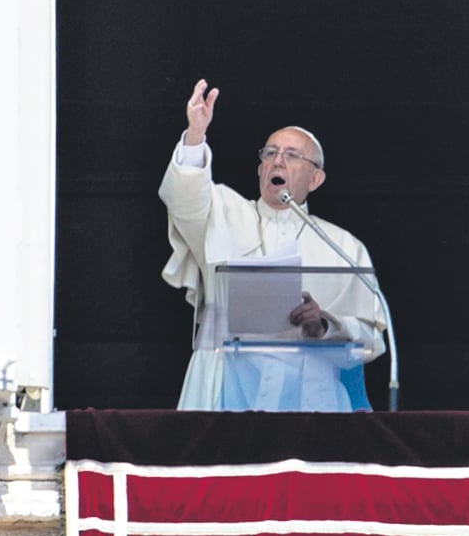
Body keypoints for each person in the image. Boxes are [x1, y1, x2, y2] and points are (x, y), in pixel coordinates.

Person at [159, 78, 386, 411]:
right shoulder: (222, 212)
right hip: (227, 392)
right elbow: (183, 198)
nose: (278, 161)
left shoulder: (342, 246)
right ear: (261, 168)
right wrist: (195, 135)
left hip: (310, 399)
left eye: (292, 156)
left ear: (316, 178)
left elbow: (371, 338)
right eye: (271, 154)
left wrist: (323, 324)